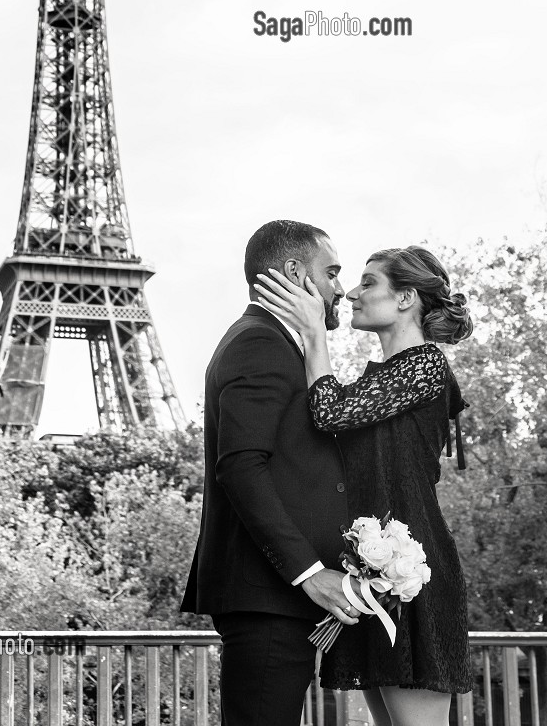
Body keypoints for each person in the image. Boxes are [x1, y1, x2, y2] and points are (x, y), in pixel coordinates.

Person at [255, 244, 474, 726]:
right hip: (370, 573)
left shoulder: (425, 366)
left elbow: (331, 411)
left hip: (412, 573)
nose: (351, 292)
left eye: (368, 282)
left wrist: (314, 334)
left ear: (405, 299)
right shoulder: (382, 380)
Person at [181, 219, 362, 726]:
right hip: (268, 597)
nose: (340, 289)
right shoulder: (259, 344)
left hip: (274, 598)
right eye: (331, 272)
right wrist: (309, 573)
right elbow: (240, 466)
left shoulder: (271, 343)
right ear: (292, 273)